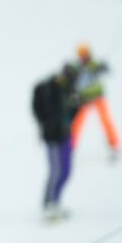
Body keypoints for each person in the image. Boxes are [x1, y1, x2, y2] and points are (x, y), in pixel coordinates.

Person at [32, 65, 78, 221]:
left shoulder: (69, 91)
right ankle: (49, 204)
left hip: (65, 135)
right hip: (52, 137)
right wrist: (46, 124)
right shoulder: (50, 88)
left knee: (66, 170)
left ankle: (56, 200)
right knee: (56, 170)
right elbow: (41, 111)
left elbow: (72, 114)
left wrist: (75, 104)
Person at [70, 43, 120, 159]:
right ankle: (70, 149)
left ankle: (113, 145)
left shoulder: (94, 65)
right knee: (76, 124)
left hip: (97, 97)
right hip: (84, 100)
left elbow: (107, 70)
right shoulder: (77, 68)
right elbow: (71, 81)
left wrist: (104, 67)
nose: (83, 57)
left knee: (105, 120)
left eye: (85, 54)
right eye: (81, 55)